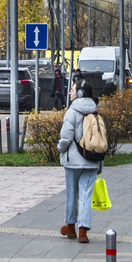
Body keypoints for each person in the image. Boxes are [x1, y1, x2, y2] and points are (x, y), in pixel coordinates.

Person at [58, 80, 100, 244]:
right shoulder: (95, 111)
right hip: (91, 160)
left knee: (71, 194)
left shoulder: (71, 112)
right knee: (85, 196)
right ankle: (83, 231)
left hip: (73, 161)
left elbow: (66, 137)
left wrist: (60, 148)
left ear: (80, 93)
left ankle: (70, 227)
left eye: (73, 90)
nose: (70, 93)